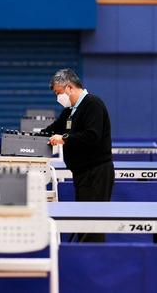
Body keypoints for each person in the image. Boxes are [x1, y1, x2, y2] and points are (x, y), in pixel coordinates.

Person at [43, 68, 114, 242]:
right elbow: (53, 129)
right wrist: (29, 139)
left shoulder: (92, 104)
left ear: (69, 87)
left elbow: (92, 135)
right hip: (81, 173)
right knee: (84, 223)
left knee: (93, 227)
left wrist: (64, 138)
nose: (58, 98)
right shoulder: (69, 111)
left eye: (58, 93)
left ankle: (94, 263)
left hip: (96, 172)